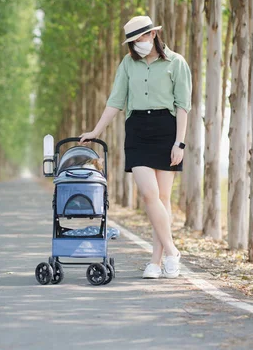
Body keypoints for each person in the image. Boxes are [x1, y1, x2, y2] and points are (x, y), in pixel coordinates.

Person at [79, 15, 192, 279]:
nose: (136, 44)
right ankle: (173, 251)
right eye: (132, 41)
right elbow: (116, 101)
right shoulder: (128, 64)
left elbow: (183, 105)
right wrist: (96, 131)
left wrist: (180, 142)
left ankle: (155, 262)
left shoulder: (176, 63)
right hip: (138, 130)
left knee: (163, 200)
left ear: (153, 34)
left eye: (140, 37)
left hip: (167, 129)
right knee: (148, 195)